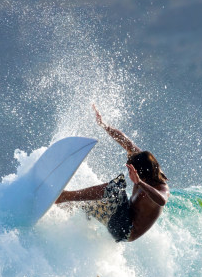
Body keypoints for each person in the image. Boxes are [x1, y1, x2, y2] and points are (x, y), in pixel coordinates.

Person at [55, 104, 169, 242]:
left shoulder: (160, 187)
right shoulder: (144, 162)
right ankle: (60, 212)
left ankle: (63, 196)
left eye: (132, 169)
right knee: (82, 205)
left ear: (142, 172)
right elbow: (126, 141)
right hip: (121, 215)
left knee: (116, 186)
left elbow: (162, 200)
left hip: (126, 230)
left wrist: (139, 182)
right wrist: (103, 125)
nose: (129, 171)